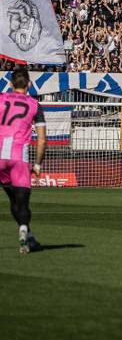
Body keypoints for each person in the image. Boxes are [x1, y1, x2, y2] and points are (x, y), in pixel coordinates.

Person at [0, 67, 47, 254]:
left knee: (13, 199)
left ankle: (30, 237)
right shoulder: (35, 105)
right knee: (23, 203)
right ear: (29, 84)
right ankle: (23, 232)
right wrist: (37, 164)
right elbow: (42, 140)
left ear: (10, 84)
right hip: (19, 156)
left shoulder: (1, 99)